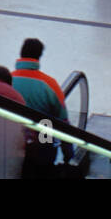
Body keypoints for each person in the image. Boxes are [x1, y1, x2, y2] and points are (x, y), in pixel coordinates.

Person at [12, 38, 71, 177]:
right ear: (39, 56)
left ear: (21, 53)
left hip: (13, 142)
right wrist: (68, 152)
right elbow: (63, 121)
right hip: (43, 143)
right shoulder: (49, 84)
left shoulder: (8, 80)